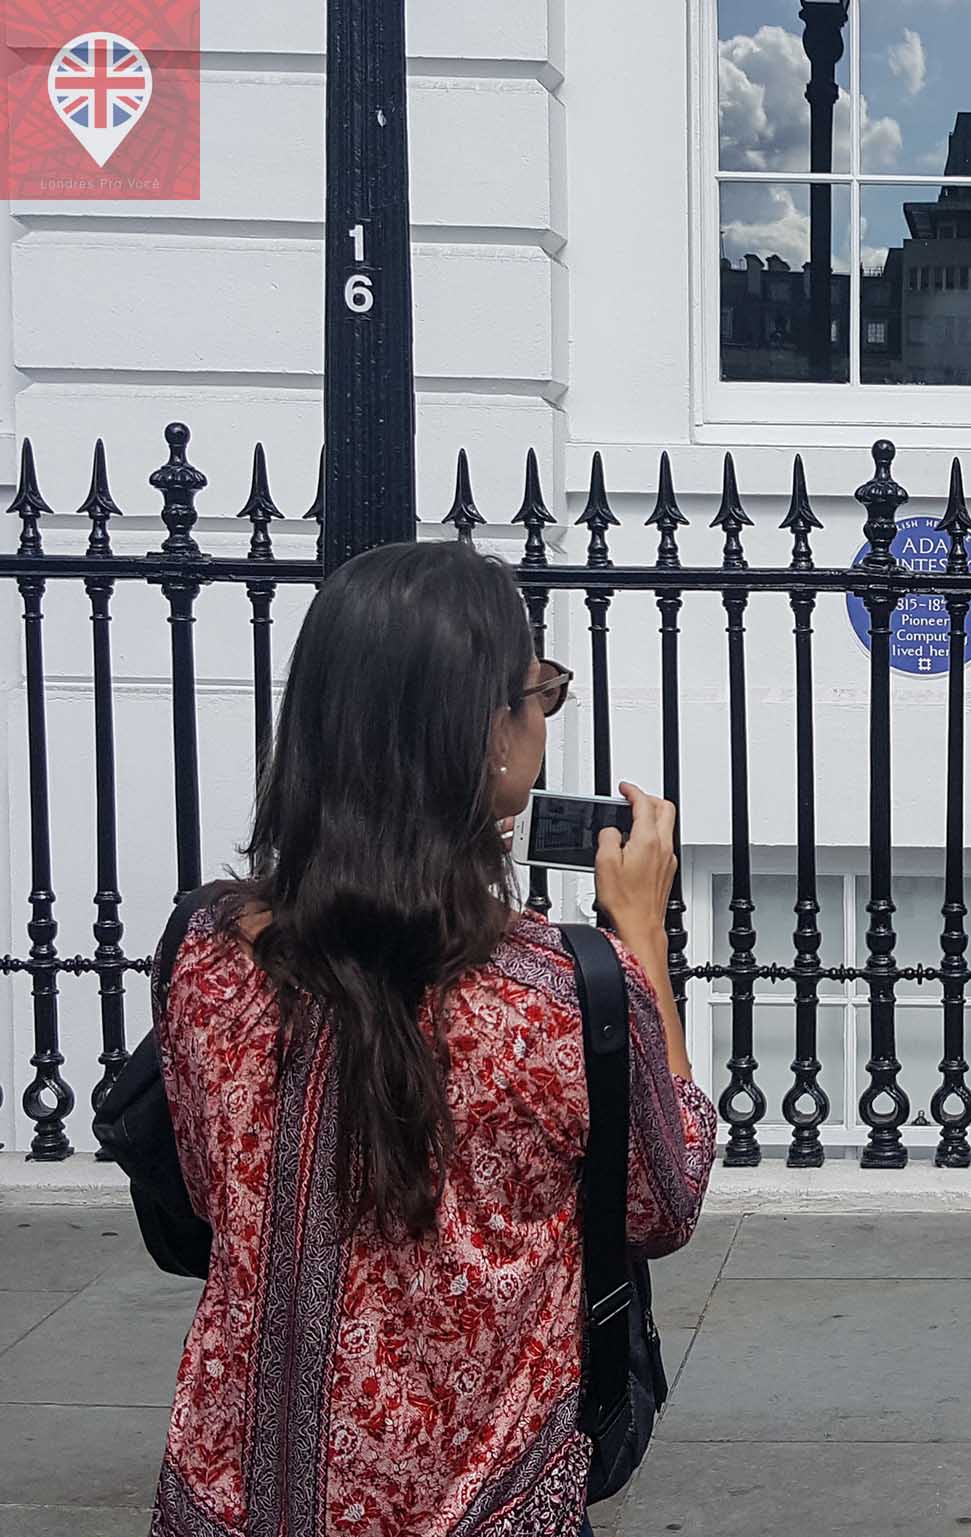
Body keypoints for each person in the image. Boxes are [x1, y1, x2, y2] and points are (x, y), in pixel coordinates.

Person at [151, 541, 717, 1537]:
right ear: (487, 732)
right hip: (476, 1505)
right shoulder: (556, 993)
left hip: (232, 1502)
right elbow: (663, 1203)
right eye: (538, 689)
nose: (544, 713)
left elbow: (206, 1199)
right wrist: (641, 941)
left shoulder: (203, 951)